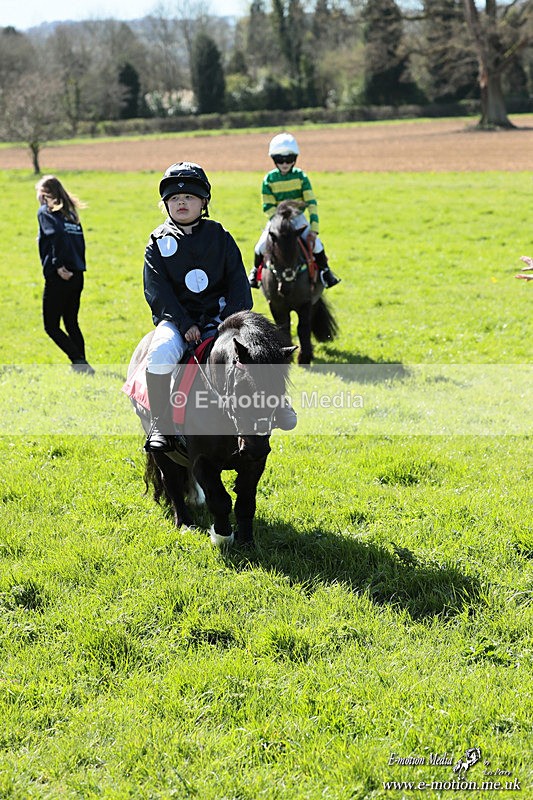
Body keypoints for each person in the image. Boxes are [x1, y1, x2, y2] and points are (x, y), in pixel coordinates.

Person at [143, 162, 255, 452]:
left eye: (189, 197)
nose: (182, 202)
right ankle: (161, 424)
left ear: (204, 202)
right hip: (178, 321)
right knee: (158, 354)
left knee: (257, 347)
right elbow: (158, 291)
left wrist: (229, 325)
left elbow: (238, 283)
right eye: (175, 198)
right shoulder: (156, 243)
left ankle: (278, 407)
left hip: (224, 319)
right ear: (165, 204)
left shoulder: (221, 236)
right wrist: (184, 323)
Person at [248, 132, 341, 290]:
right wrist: (279, 223)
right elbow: (268, 207)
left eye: (289, 159)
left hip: (298, 219)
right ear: (273, 159)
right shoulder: (268, 180)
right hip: (277, 220)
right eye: (279, 159)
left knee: (317, 246)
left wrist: (314, 230)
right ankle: (255, 273)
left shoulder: (301, 177)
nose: (284, 163)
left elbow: (311, 203)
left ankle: (326, 273)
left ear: (295, 158)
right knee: (261, 246)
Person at [36, 175, 94, 374]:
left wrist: (58, 265)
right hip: (77, 273)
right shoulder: (71, 214)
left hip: (60, 275)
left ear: (44, 193)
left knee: (51, 326)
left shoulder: (46, 212)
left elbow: (55, 235)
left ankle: (78, 361)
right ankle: (82, 365)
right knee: (71, 322)